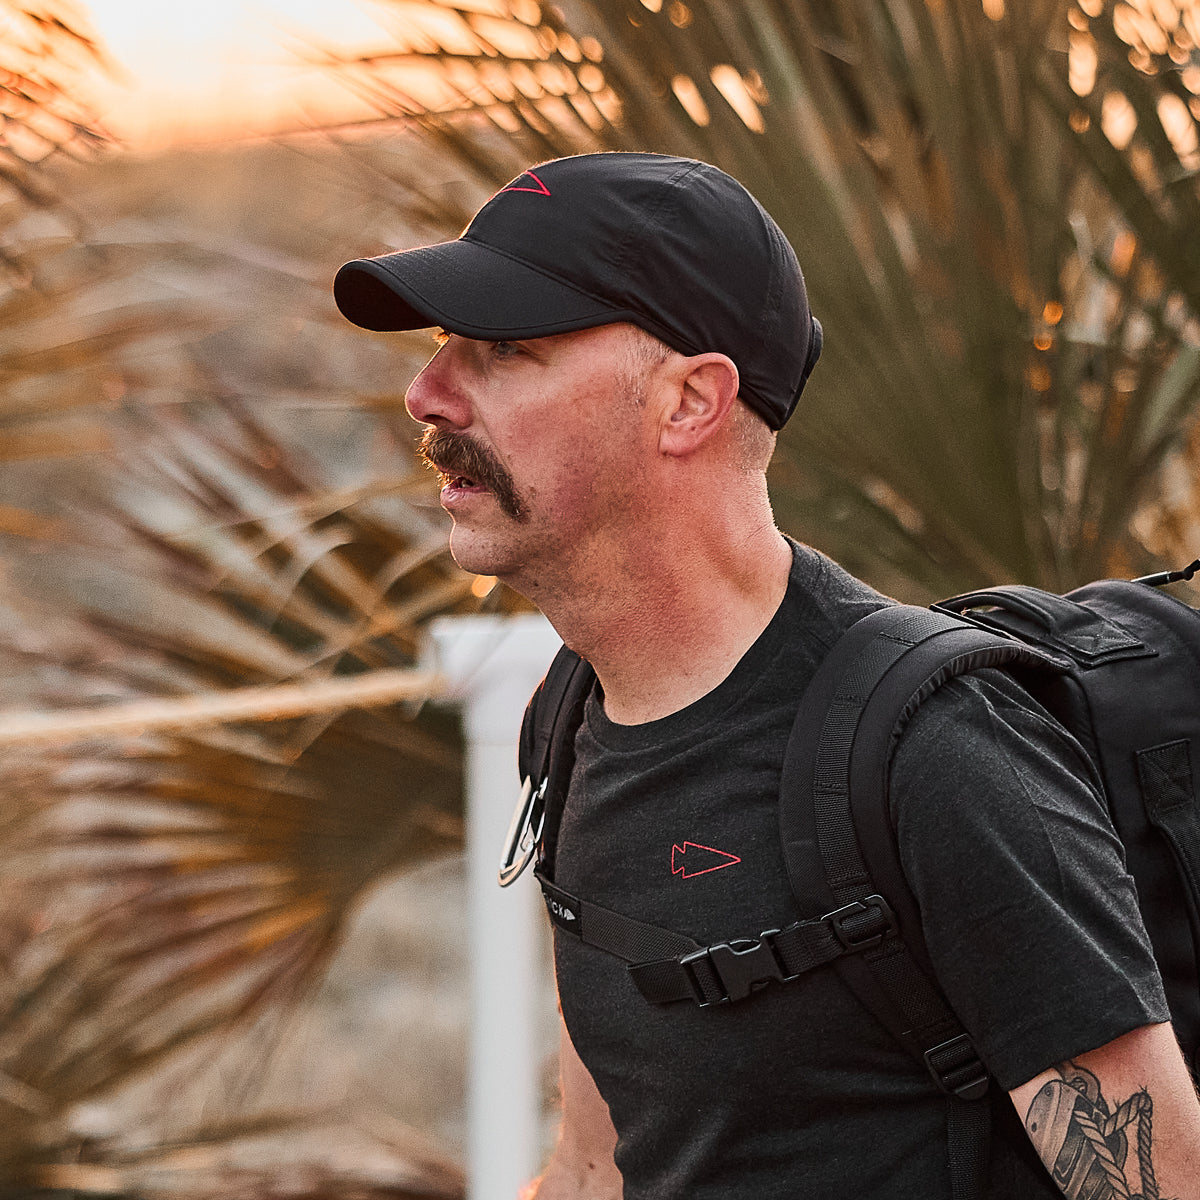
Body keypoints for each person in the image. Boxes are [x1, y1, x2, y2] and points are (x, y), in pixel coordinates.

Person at [333, 152, 1200, 1199]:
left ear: (690, 402)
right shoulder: (571, 716)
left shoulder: (936, 754)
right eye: (440, 348)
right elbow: (598, 1165)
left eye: (505, 349)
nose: (428, 393)